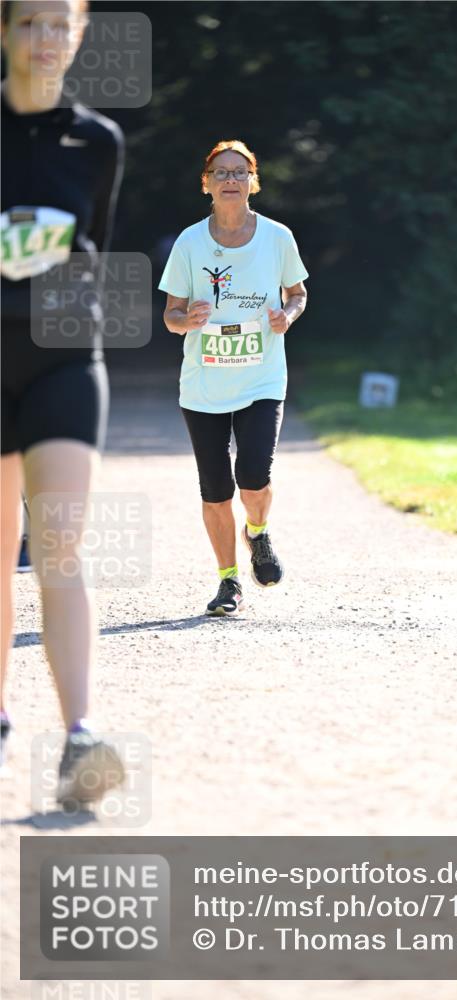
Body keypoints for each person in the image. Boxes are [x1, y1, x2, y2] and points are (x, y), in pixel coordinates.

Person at [0, 0, 125, 800]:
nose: (46, 39)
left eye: (60, 24)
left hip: (64, 358)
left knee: (60, 545)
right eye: (29, 23)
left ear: (77, 36)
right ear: (4, 33)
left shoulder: (99, 143)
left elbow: (95, 249)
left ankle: (80, 740)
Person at [159, 139, 308, 616]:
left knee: (253, 477)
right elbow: (170, 315)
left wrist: (287, 314)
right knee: (216, 489)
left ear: (252, 182)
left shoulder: (277, 237)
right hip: (203, 386)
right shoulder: (189, 242)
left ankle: (259, 533)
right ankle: (228, 582)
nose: (229, 179)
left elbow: (298, 293)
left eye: (239, 172)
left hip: (262, 379)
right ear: (206, 184)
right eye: (220, 172)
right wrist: (188, 320)